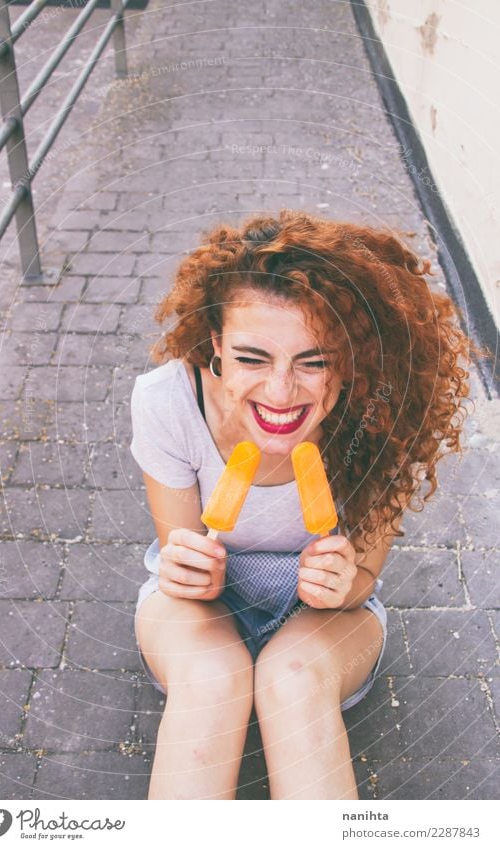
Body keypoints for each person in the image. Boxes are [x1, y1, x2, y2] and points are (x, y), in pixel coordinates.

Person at [130, 209, 486, 800]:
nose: (280, 393)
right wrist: (186, 568)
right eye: (252, 358)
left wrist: (344, 583)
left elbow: (365, 577)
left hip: (329, 619)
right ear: (216, 343)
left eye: (314, 361)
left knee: (290, 680)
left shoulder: (381, 416)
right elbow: (179, 554)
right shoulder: (168, 401)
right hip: (198, 610)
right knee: (215, 678)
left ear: (349, 358)